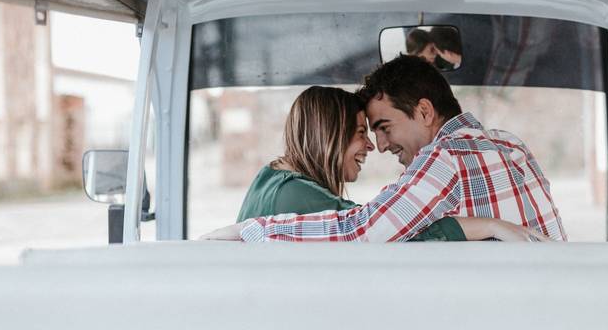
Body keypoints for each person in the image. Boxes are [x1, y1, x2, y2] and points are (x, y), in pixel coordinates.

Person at [201, 85, 536, 242]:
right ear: (329, 134)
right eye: (362, 132)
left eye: (379, 129)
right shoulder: (297, 196)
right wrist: (484, 225)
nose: (372, 146)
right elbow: (375, 236)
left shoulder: (271, 178)